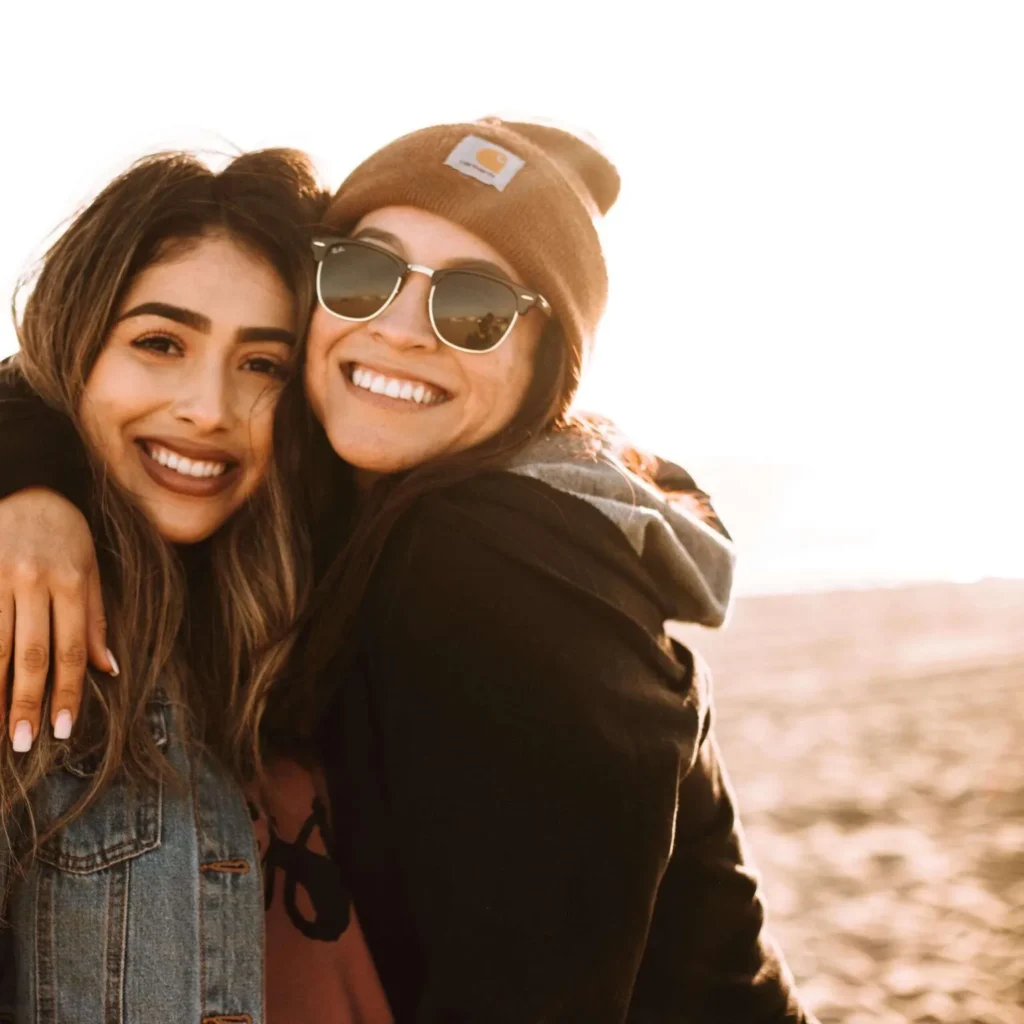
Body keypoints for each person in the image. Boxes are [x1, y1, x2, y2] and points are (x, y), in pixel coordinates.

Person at [1, 118, 817, 1022]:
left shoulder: (489, 559)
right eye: (362, 276)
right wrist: (29, 477)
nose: (399, 331)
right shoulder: (320, 532)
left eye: (474, 308)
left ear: (549, 366)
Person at [0, 150, 391, 1023]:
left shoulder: (314, 602)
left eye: (263, 364)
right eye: (159, 343)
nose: (209, 408)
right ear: (75, 351)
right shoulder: (31, 631)